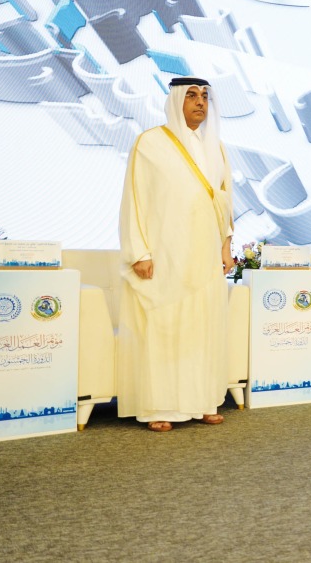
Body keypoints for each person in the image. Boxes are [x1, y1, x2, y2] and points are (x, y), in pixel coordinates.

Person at [117, 77, 235, 432]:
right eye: (191, 96)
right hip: (166, 253)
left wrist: (227, 245)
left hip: (205, 254)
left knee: (203, 328)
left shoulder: (217, 146)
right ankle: (160, 406)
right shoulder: (150, 143)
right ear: (175, 100)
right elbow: (134, 199)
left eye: (204, 97)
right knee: (166, 328)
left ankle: (203, 402)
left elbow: (224, 200)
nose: (200, 102)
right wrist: (139, 251)